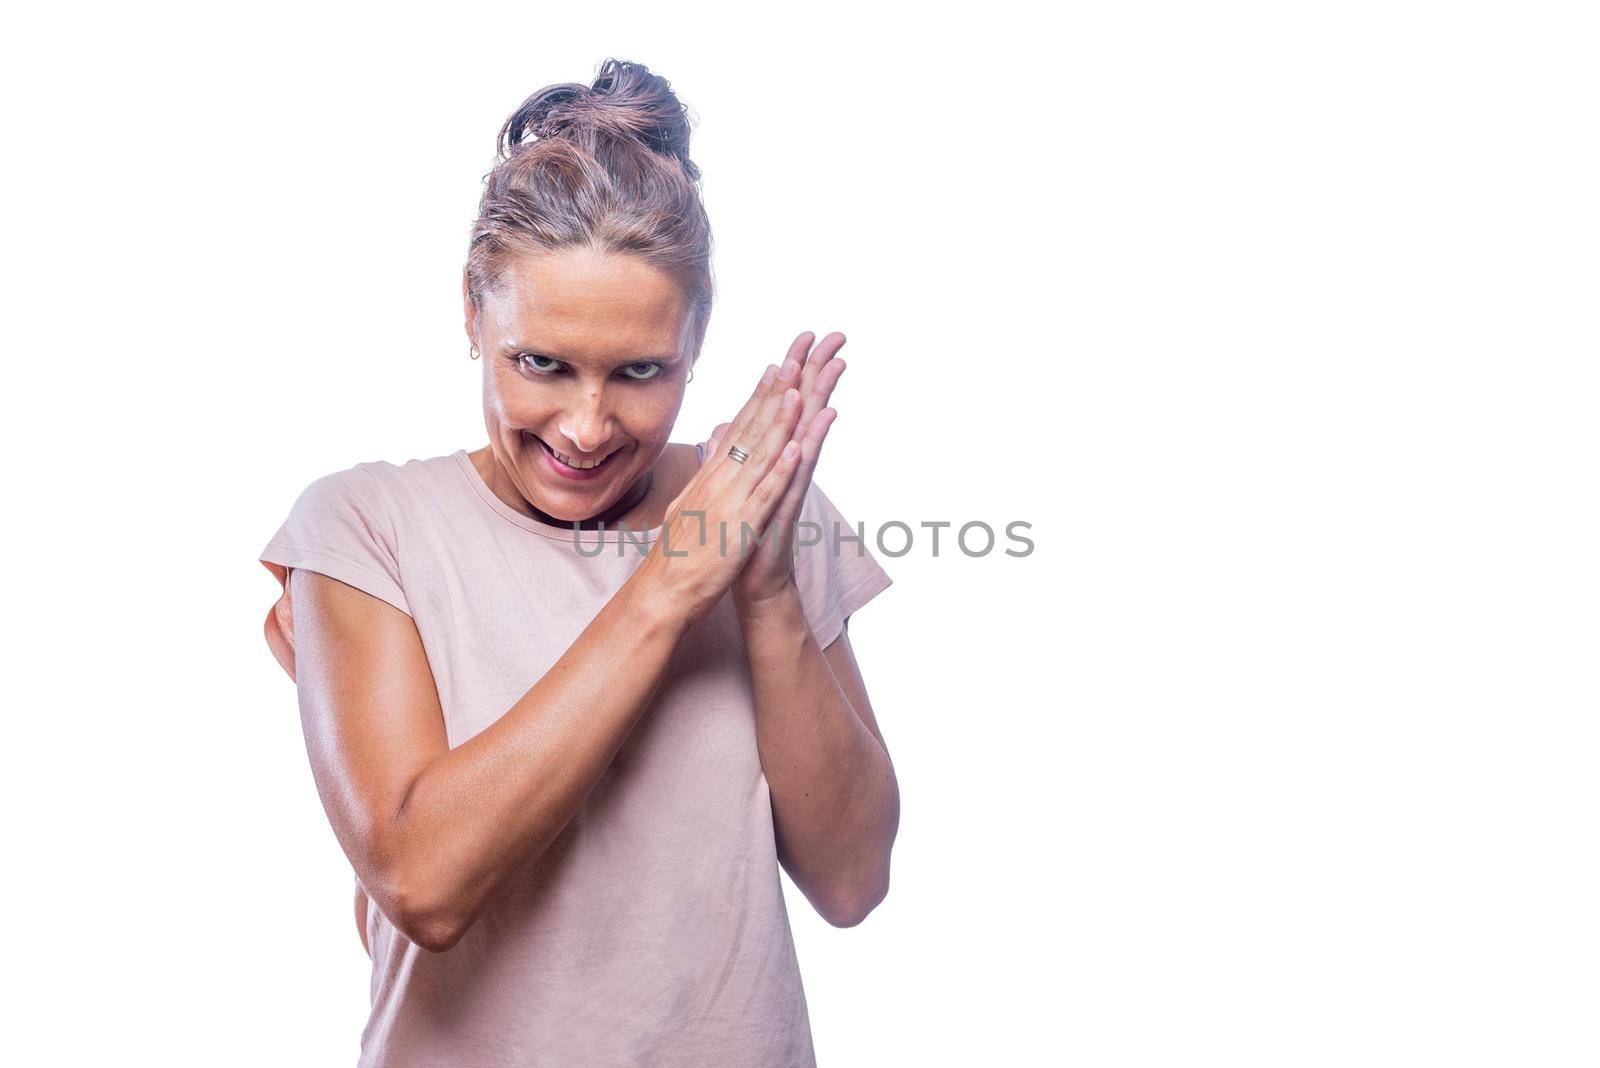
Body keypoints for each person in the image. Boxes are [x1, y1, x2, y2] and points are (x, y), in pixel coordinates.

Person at [257, 58, 899, 1067]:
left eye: (641, 372)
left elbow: (852, 880)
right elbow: (422, 881)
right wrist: (672, 582)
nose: (588, 427)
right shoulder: (365, 528)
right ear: (474, 317)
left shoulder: (758, 507)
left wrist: (767, 590)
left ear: (695, 344)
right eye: (541, 364)